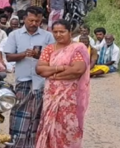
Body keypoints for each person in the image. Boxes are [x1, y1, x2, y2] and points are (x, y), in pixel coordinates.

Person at [4, 6, 55, 148]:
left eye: (37, 21)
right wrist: (24, 54)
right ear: (24, 19)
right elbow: (8, 57)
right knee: (19, 116)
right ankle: (16, 145)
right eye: (31, 20)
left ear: (41, 21)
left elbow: (53, 57)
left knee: (38, 117)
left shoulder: (48, 36)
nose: (34, 23)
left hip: (42, 82)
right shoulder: (15, 35)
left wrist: (38, 55)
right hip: (23, 82)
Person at [35, 20, 90, 148]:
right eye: (55, 32)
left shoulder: (77, 48)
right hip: (51, 95)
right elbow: (40, 70)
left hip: (70, 97)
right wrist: (59, 68)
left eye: (62, 31)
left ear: (70, 32)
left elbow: (77, 70)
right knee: (49, 124)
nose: (58, 35)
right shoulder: (49, 49)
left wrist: (52, 75)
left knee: (68, 125)